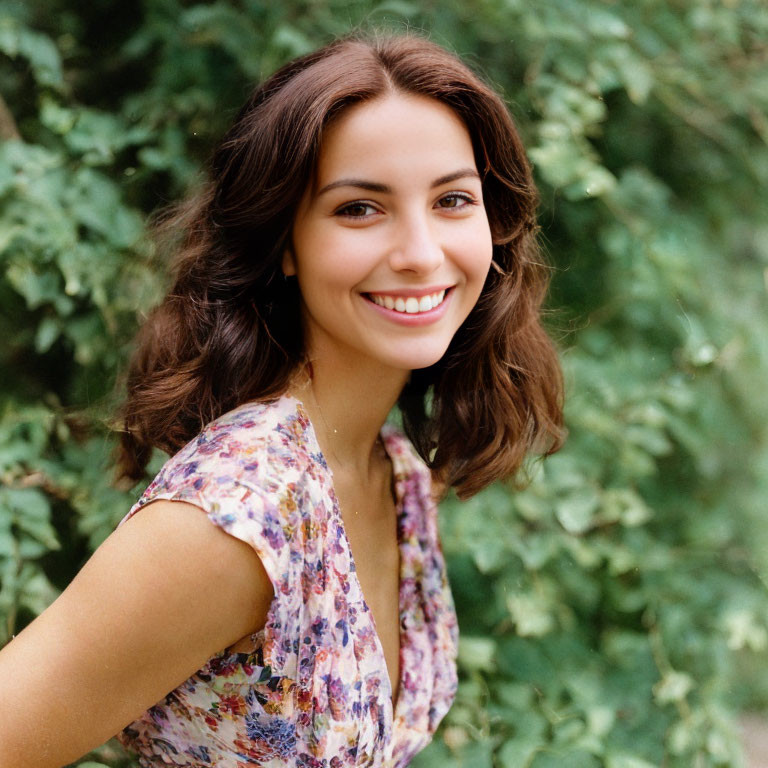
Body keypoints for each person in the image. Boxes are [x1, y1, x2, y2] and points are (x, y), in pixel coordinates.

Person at [0, 31, 564, 768]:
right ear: (285, 241)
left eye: (453, 199)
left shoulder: (392, 468)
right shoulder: (235, 516)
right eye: (361, 209)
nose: (423, 251)